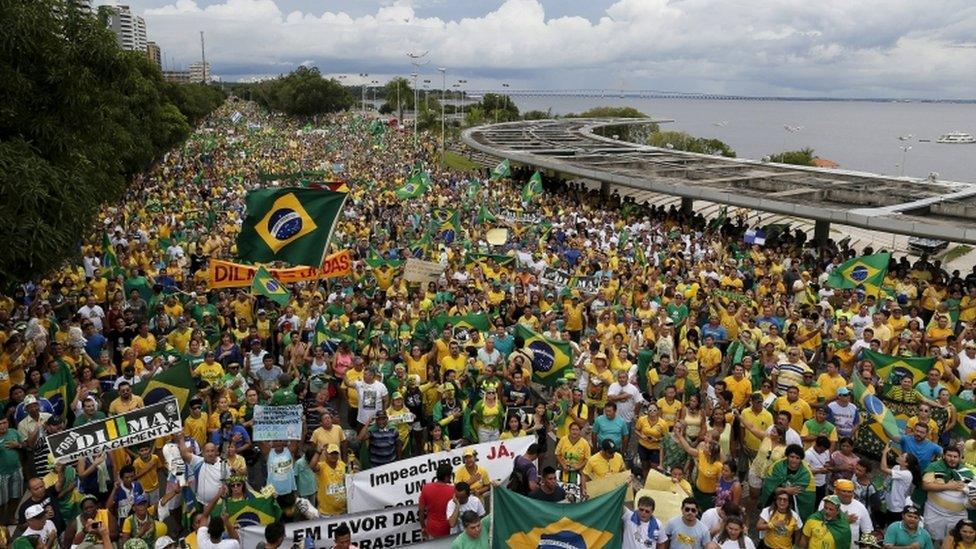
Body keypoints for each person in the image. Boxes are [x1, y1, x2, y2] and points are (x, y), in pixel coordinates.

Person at [922, 446, 976, 546]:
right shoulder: (934, 467)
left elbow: (972, 492)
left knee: (953, 540)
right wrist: (948, 486)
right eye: (949, 455)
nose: (952, 458)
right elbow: (925, 485)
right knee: (930, 538)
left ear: (960, 458)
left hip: (957, 515)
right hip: (935, 511)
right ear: (944, 456)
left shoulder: (967, 472)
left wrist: (973, 501)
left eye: (955, 456)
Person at [759, 444, 816, 518]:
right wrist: (786, 490)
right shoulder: (777, 466)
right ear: (787, 456)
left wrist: (780, 489)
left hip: (794, 507)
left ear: (801, 459)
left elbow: (806, 495)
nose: (794, 460)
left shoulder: (805, 473)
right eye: (791, 457)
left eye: (797, 458)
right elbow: (770, 487)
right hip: (774, 502)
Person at [880, 441, 921, 526]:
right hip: (888, 502)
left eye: (902, 456)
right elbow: (888, 476)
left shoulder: (907, 474)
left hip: (896, 507)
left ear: (906, 463)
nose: (899, 456)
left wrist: (884, 453)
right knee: (884, 524)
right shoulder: (897, 467)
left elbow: (883, 468)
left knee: (892, 527)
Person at [419, 463, 455, 539]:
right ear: (446, 477)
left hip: (431, 529)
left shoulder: (426, 488)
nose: (451, 478)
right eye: (450, 476)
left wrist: (423, 527)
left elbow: (421, 511)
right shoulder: (453, 491)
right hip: (448, 530)